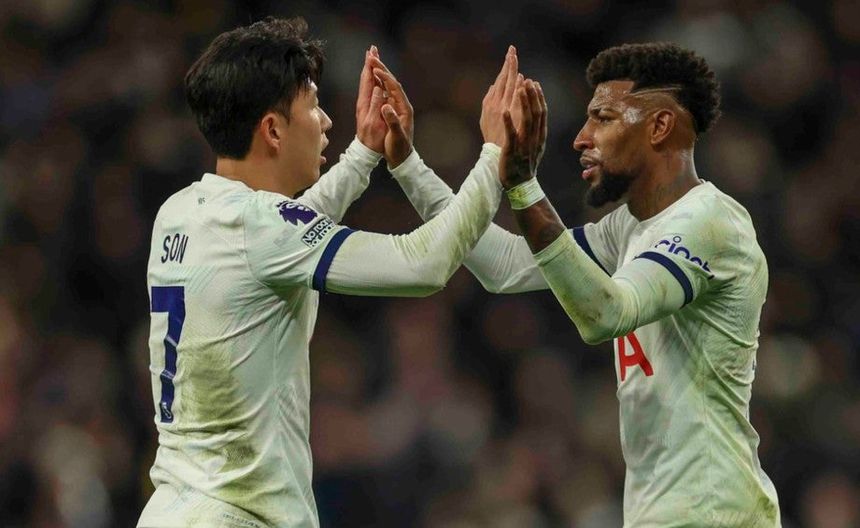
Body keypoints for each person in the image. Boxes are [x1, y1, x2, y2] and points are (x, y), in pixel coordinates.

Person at [137, 17, 542, 528]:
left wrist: (364, 154)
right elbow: (423, 263)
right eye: (313, 106)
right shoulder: (258, 228)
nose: (327, 121)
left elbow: (287, 232)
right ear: (272, 130)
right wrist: (493, 154)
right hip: (236, 516)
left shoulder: (180, 211)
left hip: (172, 508)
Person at [391, 43, 780, 526]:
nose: (581, 138)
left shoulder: (709, 223)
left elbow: (607, 315)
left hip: (717, 514)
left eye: (604, 118)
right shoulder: (630, 228)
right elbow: (506, 266)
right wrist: (407, 165)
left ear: (660, 126)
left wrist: (523, 185)